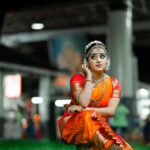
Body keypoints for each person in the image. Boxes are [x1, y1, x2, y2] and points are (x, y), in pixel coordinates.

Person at [57, 40, 133, 150]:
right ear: (86, 62)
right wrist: (88, 77)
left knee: (126, 148)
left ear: (107, 60)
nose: (98, 60)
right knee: (86, 117)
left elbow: (111, 111)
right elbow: (83, 102)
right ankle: (110, 146)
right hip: (75, 126)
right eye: (93, 57)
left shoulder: (113, 83)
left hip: (100, 129)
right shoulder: (77, 79)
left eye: (102, 56)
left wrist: (83, 109)